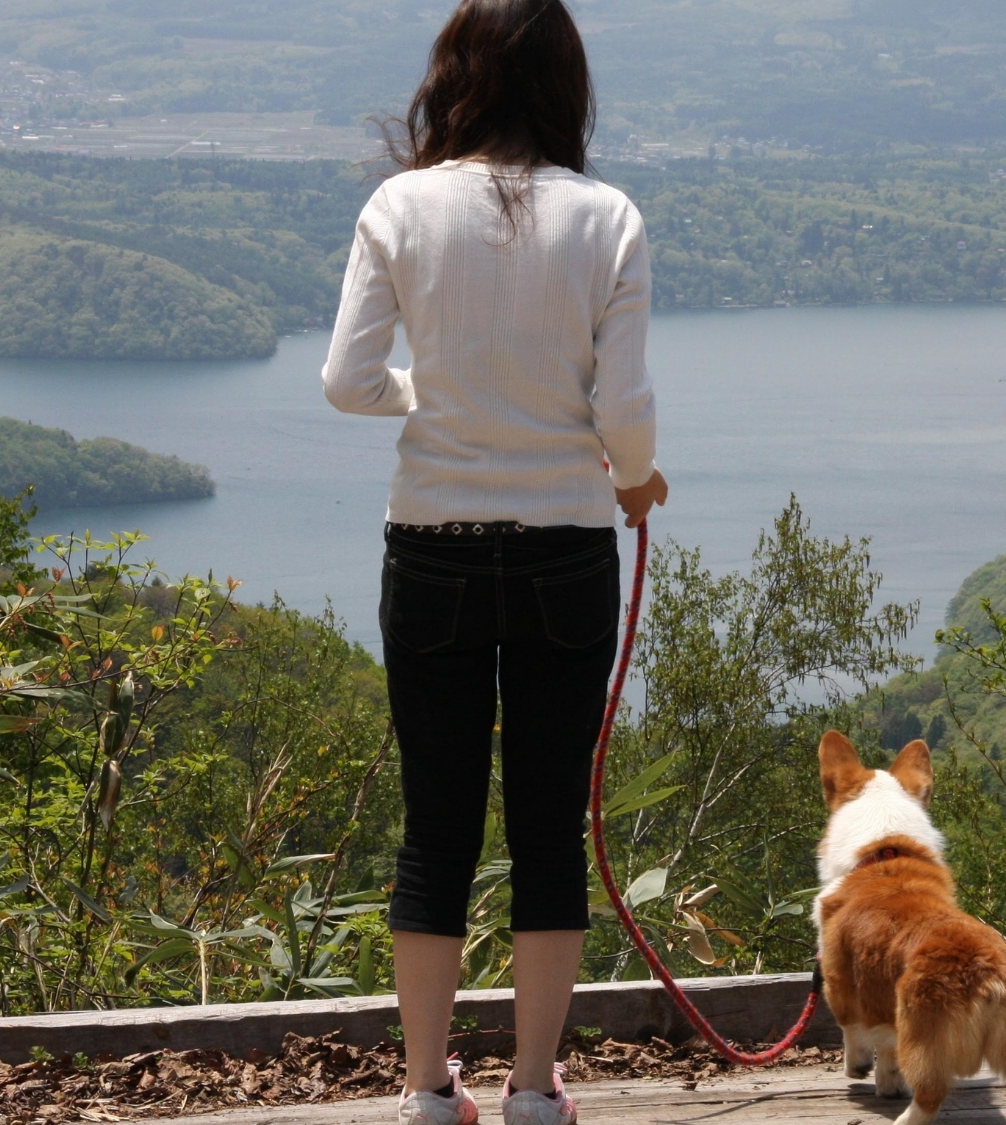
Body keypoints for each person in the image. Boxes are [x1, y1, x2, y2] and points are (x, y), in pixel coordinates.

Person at [322, 2, 666, 1123]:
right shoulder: (606, 217)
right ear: (565, 85)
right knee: (546, 830)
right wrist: (633, 476)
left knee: (436, 824)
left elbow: (347, 381)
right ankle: (531, 1091)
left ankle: (426, 1090)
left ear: (451, 78)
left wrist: (438, 396)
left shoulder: (398, 207)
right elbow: (623, 412)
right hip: (567, 548)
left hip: (431, 547)